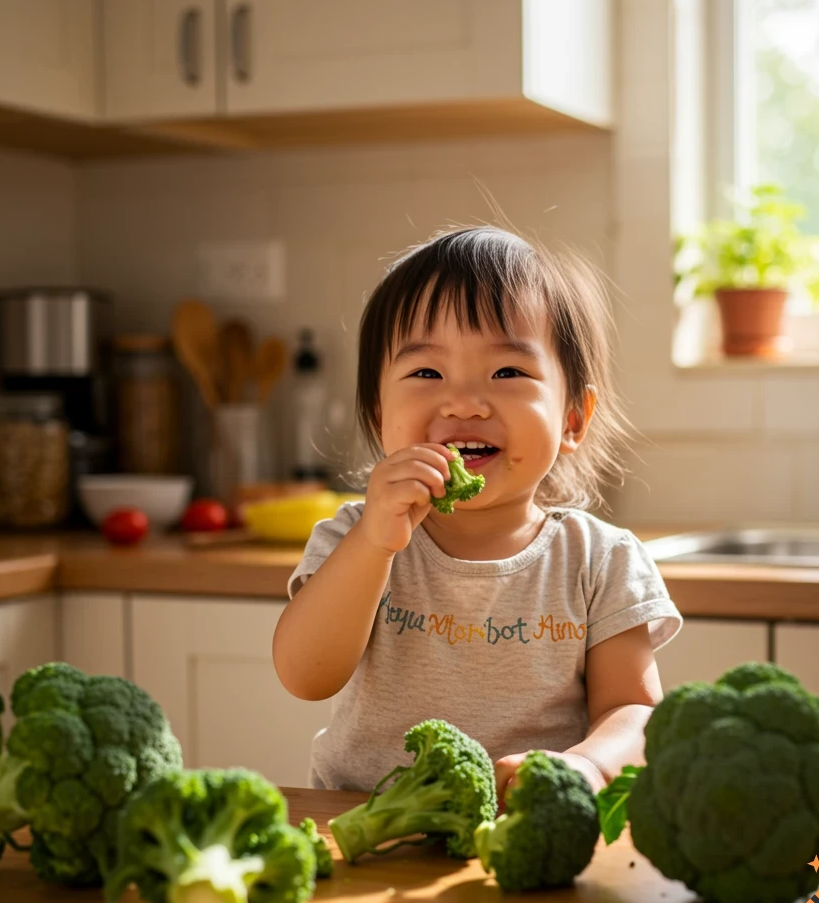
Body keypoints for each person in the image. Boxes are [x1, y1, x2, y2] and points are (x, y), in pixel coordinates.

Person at [272, 225, 682, 806]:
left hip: (531, 832)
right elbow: (304, 676)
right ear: (378, 411)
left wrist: (588, 766)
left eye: (508, 372)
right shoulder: (352, 537)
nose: (464, 401)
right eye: (426, 373)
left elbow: (635, 711)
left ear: (573, 417)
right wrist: (373, 545)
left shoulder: (600, 560)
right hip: (369, 829)